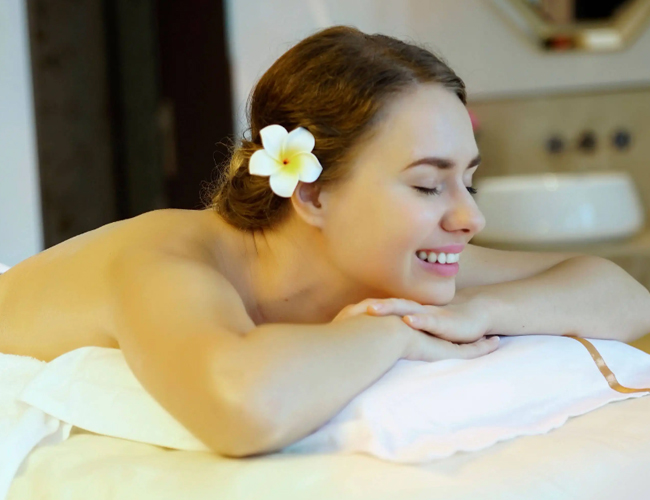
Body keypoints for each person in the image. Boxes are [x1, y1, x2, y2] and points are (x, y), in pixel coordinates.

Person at [1, 25, 648, 458]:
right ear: (311, 195)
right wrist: (390, 333)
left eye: (469, 181)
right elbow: (243, 408)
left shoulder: (381, 258)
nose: (469, 217)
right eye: (428, 185)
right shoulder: (166, 262)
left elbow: (622, 297)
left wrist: (477, 311)